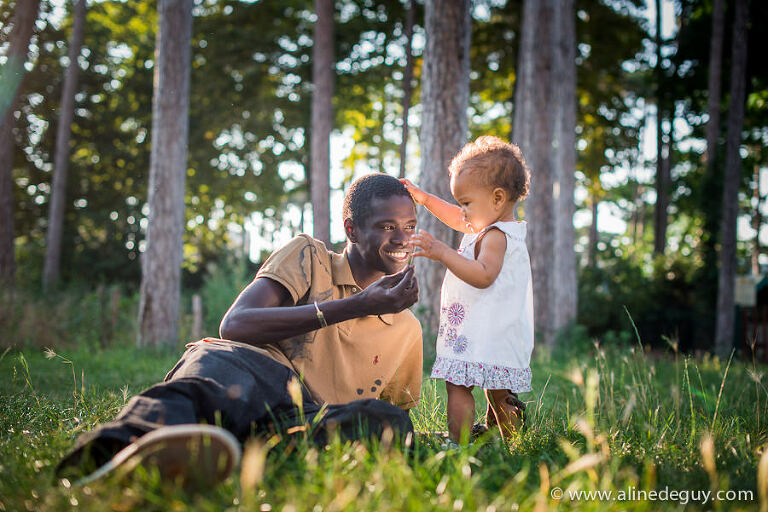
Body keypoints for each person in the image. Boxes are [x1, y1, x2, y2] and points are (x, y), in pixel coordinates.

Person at [57, 173, 423, 486]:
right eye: (386, 226)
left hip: (303, 417)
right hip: (253, 371)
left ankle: (235, 453)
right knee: (213, 378)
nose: (402, 238)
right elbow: (235, 324)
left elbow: (396, 411)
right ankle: (111, 454)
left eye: (409, 226)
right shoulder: (308, 255)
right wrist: (356, 305)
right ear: (351, 229)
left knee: (387, 422)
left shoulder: (407, 329)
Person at [401, 135, 533, 444]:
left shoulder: (496, 237)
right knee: (497, 391)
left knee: (458, 385)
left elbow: (484, 275)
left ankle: (458, 444)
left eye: (466, 203)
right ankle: (512, 441)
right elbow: (455, 217)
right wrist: (424, 198)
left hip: (481, 331)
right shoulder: (492, 227)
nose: (462, 212)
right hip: (495, 331)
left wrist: (442, 252)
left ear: (497, 199)